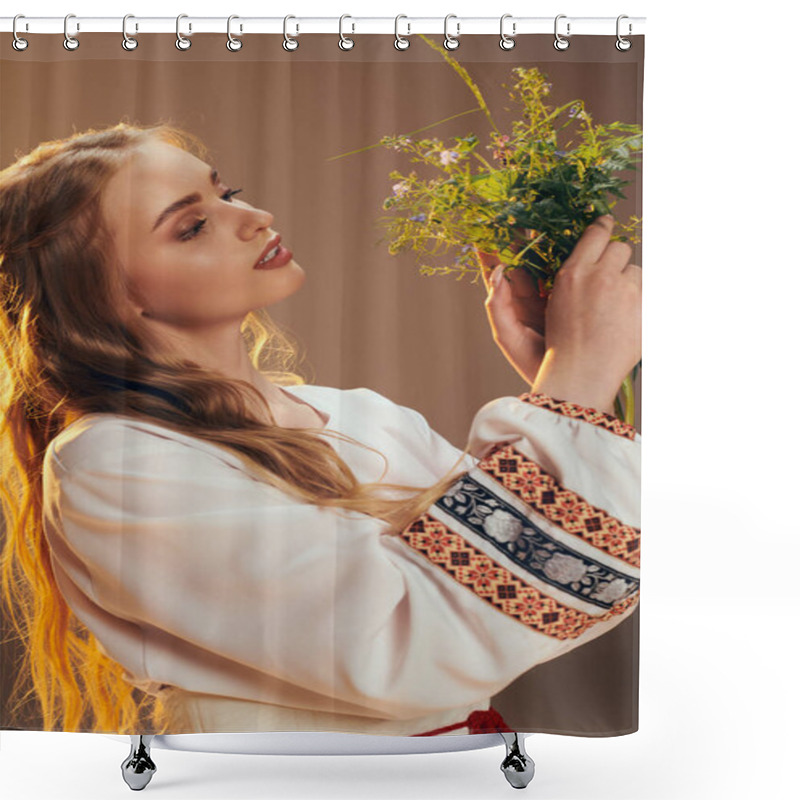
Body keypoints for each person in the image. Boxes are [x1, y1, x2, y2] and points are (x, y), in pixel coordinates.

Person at [0, 122, 641, 736]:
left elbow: (562, 600)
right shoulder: (115, 462)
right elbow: (412, 649)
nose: (255, 219)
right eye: (193, 225)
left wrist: (562, 396)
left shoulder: (364, 415)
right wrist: (569, 392)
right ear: (104, 296)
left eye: (228, 194)